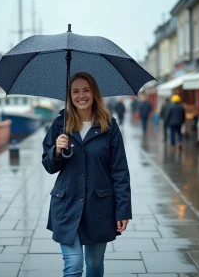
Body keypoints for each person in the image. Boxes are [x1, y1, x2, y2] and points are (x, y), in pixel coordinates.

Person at [42, 72, 132, 277]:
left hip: (99, 206)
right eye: (75, 91)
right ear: (69, 95)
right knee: (73, 265)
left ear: (94, 93)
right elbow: (48, 166)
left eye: (85, 90)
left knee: (94, 262)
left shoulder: (109, 126)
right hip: (67, 204)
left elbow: (119, 170)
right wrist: (56, 151)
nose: (80, 96)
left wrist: (123, 210)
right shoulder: (60, 125)